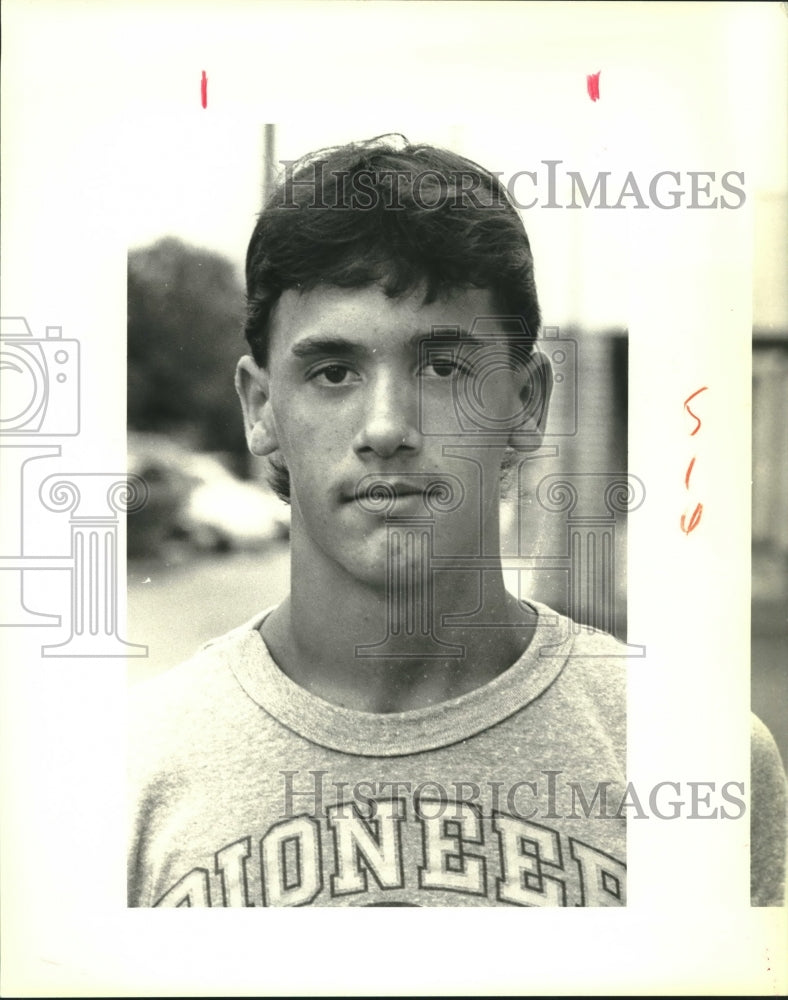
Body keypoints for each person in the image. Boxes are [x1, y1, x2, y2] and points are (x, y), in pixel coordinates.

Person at [128, 136, 786, 907]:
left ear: (526, 402)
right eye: (333, 371)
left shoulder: (699, 759)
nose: (385, 427)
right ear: (261, 407)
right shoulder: (126, 776)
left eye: (442, 367)